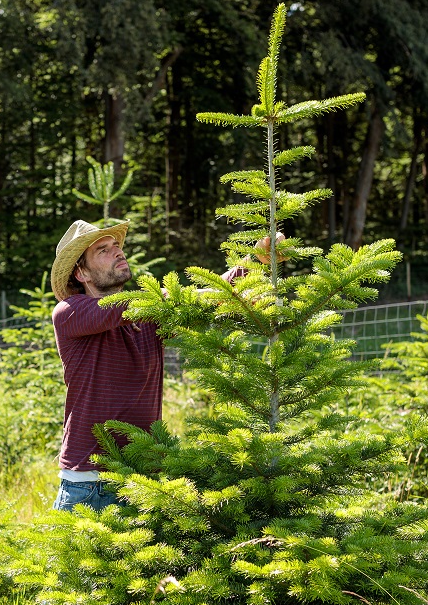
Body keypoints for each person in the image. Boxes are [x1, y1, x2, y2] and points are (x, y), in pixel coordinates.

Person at [48, 219, 283, 512]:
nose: (118, 252)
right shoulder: (70, 312)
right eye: (103, 250)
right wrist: (209, 295)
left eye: (117, 246)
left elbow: (192, 303)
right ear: (81, 272)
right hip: (90, 486)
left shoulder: (148, 318)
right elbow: (124, 307)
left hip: (144, 481)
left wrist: (257, 260)